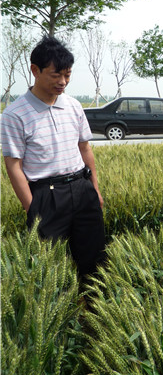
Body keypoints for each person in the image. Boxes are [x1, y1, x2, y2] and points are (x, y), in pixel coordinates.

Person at [1, 35, 105, 279]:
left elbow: (85, 149)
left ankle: (91, 310)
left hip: (82, 189)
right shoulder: (14, 114)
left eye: (67, 75)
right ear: (35, 70)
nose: (63, 82)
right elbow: (13, 166)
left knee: (94, 258)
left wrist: (95, 189)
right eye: (56, 75)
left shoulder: (73, 106)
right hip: (46, 195)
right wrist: (32, 208)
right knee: (49, 267)